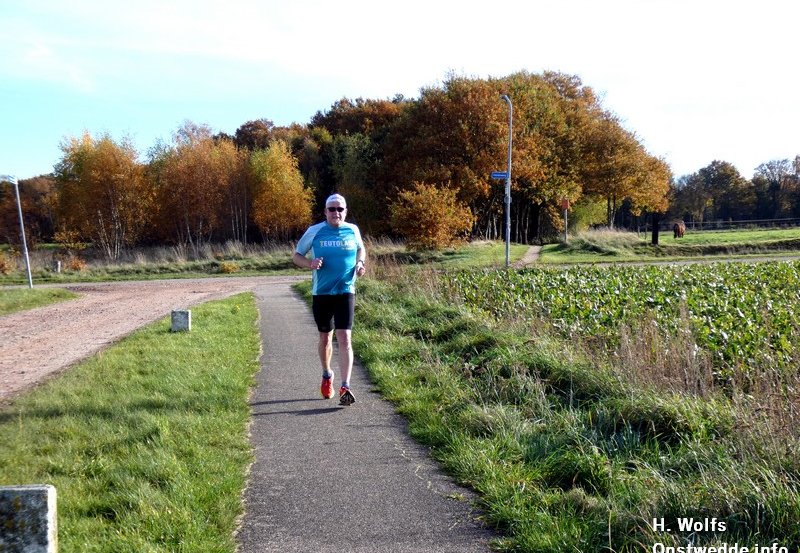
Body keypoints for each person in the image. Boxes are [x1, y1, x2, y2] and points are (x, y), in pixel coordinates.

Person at [293, 193, 367, 406]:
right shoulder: (314, 231)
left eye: (340, 209)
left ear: (345, 211)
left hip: (346, 291)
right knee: (325, 338)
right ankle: (327, 375)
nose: (336, 213)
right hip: (322, 293)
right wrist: (310, 264)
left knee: (345, 338)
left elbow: (361, 248)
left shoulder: (352, 230)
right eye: (332, 209)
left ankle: (346, 386)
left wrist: (360, 263)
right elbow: (296, 255)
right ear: (325, 211)